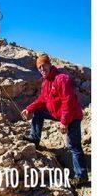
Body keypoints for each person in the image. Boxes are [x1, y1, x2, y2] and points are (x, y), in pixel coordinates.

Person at [21, 54, 88, 187]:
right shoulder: (46, 82)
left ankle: (81, 176)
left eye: (43, 65)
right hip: (58, 114)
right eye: (39, 67)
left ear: (49, 64)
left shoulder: (62, 79)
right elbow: (42, 100)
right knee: (39, 112)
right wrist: (29, 109)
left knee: (74, 146)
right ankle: (34, 138)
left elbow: (67, 102)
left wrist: (64, 122)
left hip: (72, 116)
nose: (41, 69)